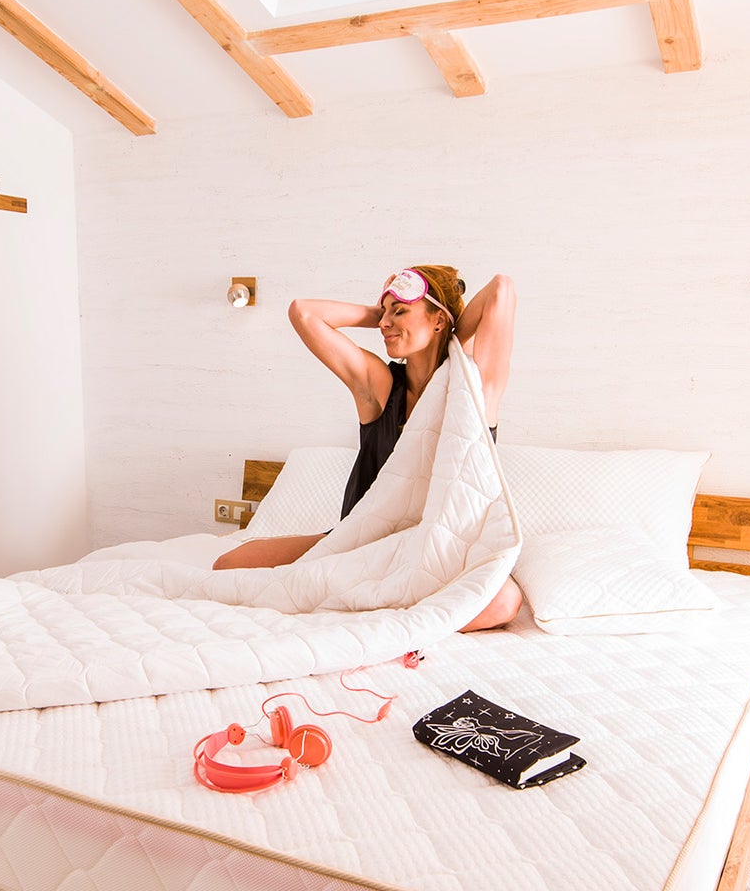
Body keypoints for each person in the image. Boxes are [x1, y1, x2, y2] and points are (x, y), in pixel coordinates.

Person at [213, 265, 523, 632]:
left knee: (505, 600)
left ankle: (387, 622)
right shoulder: (380, 386)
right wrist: (383, 312)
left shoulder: (473, 392)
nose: (385, 324)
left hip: (434, 552)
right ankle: (387, 611)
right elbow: (304, 312)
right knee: (226, 567)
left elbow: (501, 289)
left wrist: (449, 325)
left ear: (439, 320)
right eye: (385, 311)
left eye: (400, 311)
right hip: (359, 545)